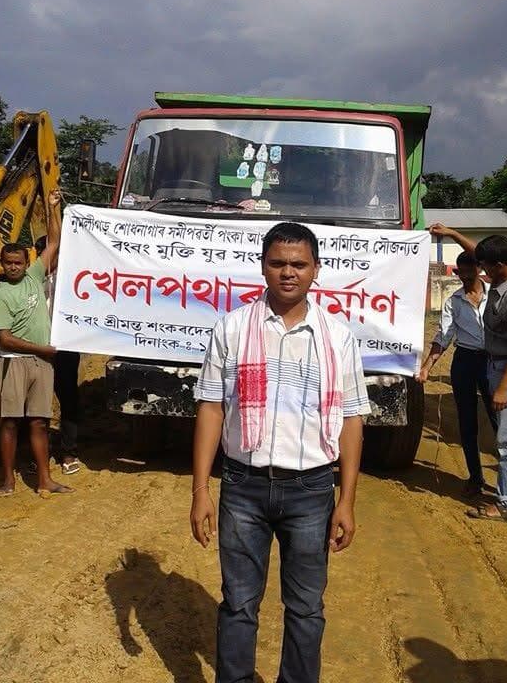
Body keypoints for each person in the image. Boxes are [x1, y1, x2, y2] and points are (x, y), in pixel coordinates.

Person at [190, 221, 371, 683]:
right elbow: (211, 408)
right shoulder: (232, 328)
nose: (288, 272)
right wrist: (200, 490)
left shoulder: (337, 337)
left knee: (306, 607)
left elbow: (352, 420)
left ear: (316, 270)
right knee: (238, 603)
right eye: (278, 263)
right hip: (242, 486)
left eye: (298, 264)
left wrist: (347, 500)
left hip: (311, 490)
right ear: (263, 267)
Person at [430, 223, 507, 522]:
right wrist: (453, 234)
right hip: (491, 362)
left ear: (499, 265)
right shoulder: (506, 276)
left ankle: (506, 503)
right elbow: (477, 253)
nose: (482, 271)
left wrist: (503, 386)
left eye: (485, 266)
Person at [0, 189, 72, 497]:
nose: (13, 267)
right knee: (10, 423)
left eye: (18, 263)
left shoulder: (36, 277)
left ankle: (45, 480)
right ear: (2, 264)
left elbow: (54, 242)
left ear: (27, 262)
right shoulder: (0, 296)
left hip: (42, 363)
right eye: (8, 263)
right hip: (15, 363)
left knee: (39, 422)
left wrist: (52, 208)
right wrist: (44, 350)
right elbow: (4, 338)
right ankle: (8, 481)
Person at [417, 250, 497, 495]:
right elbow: (444, 336)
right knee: (467, 421)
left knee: (500, 421)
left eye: (469, 271)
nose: (465, 276)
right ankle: (475, 478)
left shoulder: (496, 295)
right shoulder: (453, 302)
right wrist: (427, 367)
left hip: (492, 361)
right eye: (461, 272)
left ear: (479, 270)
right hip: (465, 361)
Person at [34, 233, 82, 475]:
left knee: (68, 399)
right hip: (36, 348)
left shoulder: (73, 282)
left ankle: (68, 452)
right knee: (36, 404)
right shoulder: (31, 281)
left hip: (65, 348)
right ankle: (38, 454)